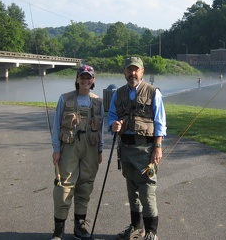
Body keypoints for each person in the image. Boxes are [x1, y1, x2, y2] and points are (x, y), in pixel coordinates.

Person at [108, 57, 167, 240]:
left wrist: (158, 147)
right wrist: (114, 125)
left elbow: (160, 122)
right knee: (131, 189)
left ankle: (151, 232)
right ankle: (135, 227)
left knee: (147, 190)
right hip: (125, 149)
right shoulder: (118, 94)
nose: (132, 73)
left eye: (136, 70)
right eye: (129, 70)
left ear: (142, 71)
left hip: (146, 149)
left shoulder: (153, 92)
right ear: (124, 72)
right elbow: (111, 116)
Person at [50, 65, 104, 240]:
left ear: (93, 80)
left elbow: (101, 130)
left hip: (91, 149)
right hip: (69, 148)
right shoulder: (64, 99)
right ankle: (59, 230)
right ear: (77, 79)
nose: (85, 81)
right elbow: (56, 126)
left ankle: (79, 228)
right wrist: (56, 150)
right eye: (82, 77)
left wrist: (100, 150)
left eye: (89, 78)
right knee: (64, 186)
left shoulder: (98, 101)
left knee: (85, 185)